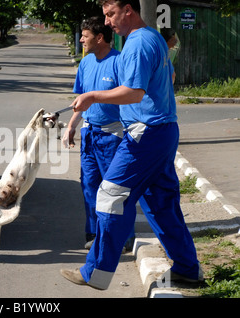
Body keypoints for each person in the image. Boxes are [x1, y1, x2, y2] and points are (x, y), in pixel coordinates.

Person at [61, 0, 201, 290]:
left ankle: (95, 273)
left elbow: (134, 93)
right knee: (161, 205)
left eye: (111, 14)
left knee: (111, 196)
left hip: (145, 134)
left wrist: (92, 97)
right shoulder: (153, 37)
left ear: (129, 10)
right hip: (162, 130)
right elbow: (168, 78)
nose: (108, 22)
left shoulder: (136, 43)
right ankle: (187, 269)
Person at [62, 17, 127, 250]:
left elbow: (131, 97)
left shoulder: (120, 62)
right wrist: (71, 125)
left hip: (113, 137)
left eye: (85, 35)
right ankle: (93, 234)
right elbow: (82, 101)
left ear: (99, 38)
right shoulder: (86, 63)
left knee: (113, 188)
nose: (81, 39)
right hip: (89, 135)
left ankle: (118, 235)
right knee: (89, 185)